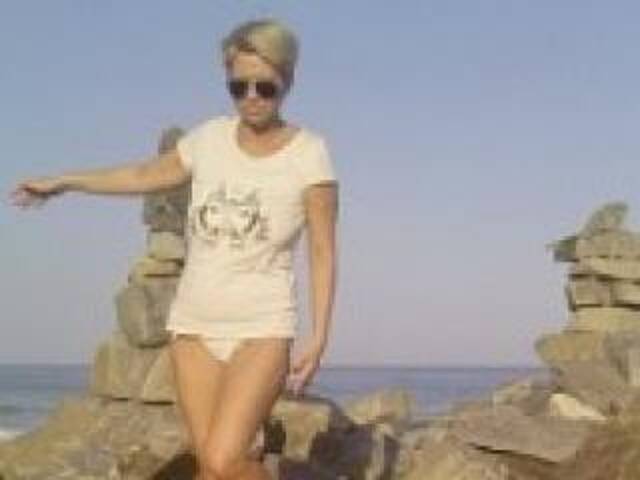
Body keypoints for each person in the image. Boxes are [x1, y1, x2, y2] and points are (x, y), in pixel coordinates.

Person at [9, 18, 339, 480]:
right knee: (208, 467)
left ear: (287, 80)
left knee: (224, 459)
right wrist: (64, 182)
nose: (251, 97)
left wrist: (319, 337)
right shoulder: (208, 140)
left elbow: (322, 251)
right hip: (193, 326)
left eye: (264, 87)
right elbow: (142, 175)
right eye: (238, 86)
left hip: (262, 326)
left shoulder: (309, 154)